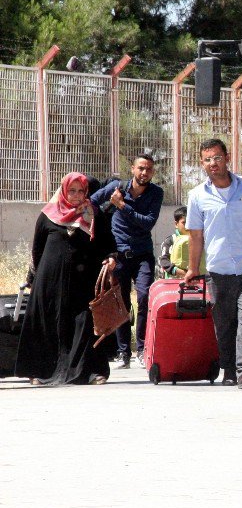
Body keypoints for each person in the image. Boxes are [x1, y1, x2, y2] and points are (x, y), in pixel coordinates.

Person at [184, 138, 242, 389]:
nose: (213, 163)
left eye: (216, 157)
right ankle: (229, 368)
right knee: (224, 323)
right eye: (207, 160)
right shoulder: (197, 196)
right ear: (202, 164)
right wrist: (193, 268)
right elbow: (196, 235)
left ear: (227, 157)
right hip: (218, 270)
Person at [15, 173, 118, 385]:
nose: (77, 195)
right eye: (72, 191)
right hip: (49, 281)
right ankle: (41, 372)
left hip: (82, 281)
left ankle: (88, 372)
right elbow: (37, 249)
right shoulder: (48, 215)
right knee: (48, 322)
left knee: (84, 323)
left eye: (81, 191)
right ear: (63, 191)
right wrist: (32, 278)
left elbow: (107, 244)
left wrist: (110, 259)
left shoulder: (94, 214)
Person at [90, 154, 163, 369]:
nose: (144, 173)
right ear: (132, 169)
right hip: (119, 256)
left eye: (149, 169)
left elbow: (148, 223)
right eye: (141, 168)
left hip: (142, 255)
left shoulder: (156, 194)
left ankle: (142, 348)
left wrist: (122, 206)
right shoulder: (117, 186)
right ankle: (123, 353)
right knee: (120, 304)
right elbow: (92, 201)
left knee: (144, 298)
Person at [158, 206, 205, 279]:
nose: (187, 226)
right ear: (176, 224)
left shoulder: (200, 240)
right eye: (184, 223)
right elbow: (164, 261)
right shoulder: (170, 241)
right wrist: (180, 272)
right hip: (174, 281)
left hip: (198, 280)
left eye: (190, 223)